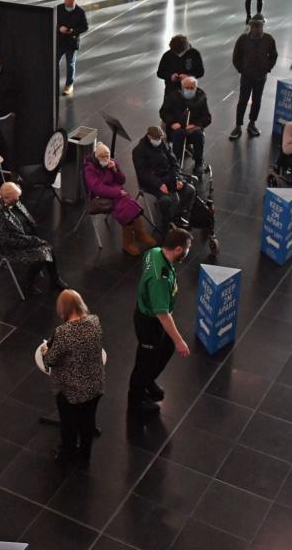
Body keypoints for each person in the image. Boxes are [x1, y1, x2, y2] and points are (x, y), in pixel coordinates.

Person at [128, 228, 191, 413]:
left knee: (166, 347)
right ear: (178, 249)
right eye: (187, 248)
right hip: (149, 322)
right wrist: (180, 341)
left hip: (148, 314)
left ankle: (148, 381)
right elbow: (162, 314)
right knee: (144, 362)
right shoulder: (159, 279)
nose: (188, 252)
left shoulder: (154, 252)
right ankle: (136, 399)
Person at [40, 289, 104, 465]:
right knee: (88, 420)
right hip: (95, 385)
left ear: (63, 309)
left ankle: (68, 453)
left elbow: (51, 360)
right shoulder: (95, 321)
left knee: (69, 423)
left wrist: (46, 350)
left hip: (71, 390)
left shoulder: (63, 332)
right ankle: (85, 454)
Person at [0, 182, 66, 294]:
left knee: (49, 248)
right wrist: (32, 241)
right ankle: (28, 284)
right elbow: (7, 240)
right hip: (14, 248)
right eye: (16, 198)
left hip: (28, 239)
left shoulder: (15, 202)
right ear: (6, 198)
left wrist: (33, 239)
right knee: (42, 255)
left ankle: (55, 279)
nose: (18, 199)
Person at [84, 142, 153, 256]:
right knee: (127, 204)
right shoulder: (90, 169)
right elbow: (97, 188)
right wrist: (117, 192)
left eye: (108, 156)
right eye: (103, 157)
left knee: (128, 203)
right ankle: (130, 241)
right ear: (96, 157)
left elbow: (122, 180)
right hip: (100, 197)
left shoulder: (110, 163)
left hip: (116, 193)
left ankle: (138, 235)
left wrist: (115, 169)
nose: (106, 158)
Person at [132, 126, 191, 237]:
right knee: (166, 200)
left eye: (160, 138)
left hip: (169, 177)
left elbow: (174, 163)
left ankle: (177, 217)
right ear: (149, 137)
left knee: (189, 190)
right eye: (157, 139)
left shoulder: (163, 144)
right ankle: (166, 223)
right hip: (152, 182)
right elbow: (143, 174)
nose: (159, 141)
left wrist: (177, 178)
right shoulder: (139, 150)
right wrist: (159, 184)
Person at [229, 16, 278, 139]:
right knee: (242, 101)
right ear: (251, 26)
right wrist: (241, 69)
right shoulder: (243, 39)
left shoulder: (268, 39)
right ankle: (238, 125)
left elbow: (273, 55)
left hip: (261, 77)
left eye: (260, 26)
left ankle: (252, 123)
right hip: (247, 76)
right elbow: (236, 57)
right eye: (255, 26)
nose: (257, 29)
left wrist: (267, 68)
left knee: (257, 100)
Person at [158, 75, 211, 174]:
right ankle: (176, 163)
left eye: (192, 88)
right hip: (176, 127)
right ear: (182, 88)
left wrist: (196, 124)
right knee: (179, 135)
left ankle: (198, 163)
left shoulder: (201, 97)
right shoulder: (172, 96)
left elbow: (207, 117)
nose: (190, 90)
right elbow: (164, 112)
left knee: (198, 135)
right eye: (187, 88)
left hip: (192, 127)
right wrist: (172, 123)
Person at [55, 0, 88, 96]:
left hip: (71, 42)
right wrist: (59, 28)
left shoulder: (80, 12)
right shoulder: (58, 9)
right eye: (68, 6)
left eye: (72, 5)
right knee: (54, 62)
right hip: (59, 41)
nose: (70, 8)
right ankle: (53, 82)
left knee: (70, 64)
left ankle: (69, 85)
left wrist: (73, 31)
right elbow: (53, 21)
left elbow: (85, 27)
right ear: (64, 3)